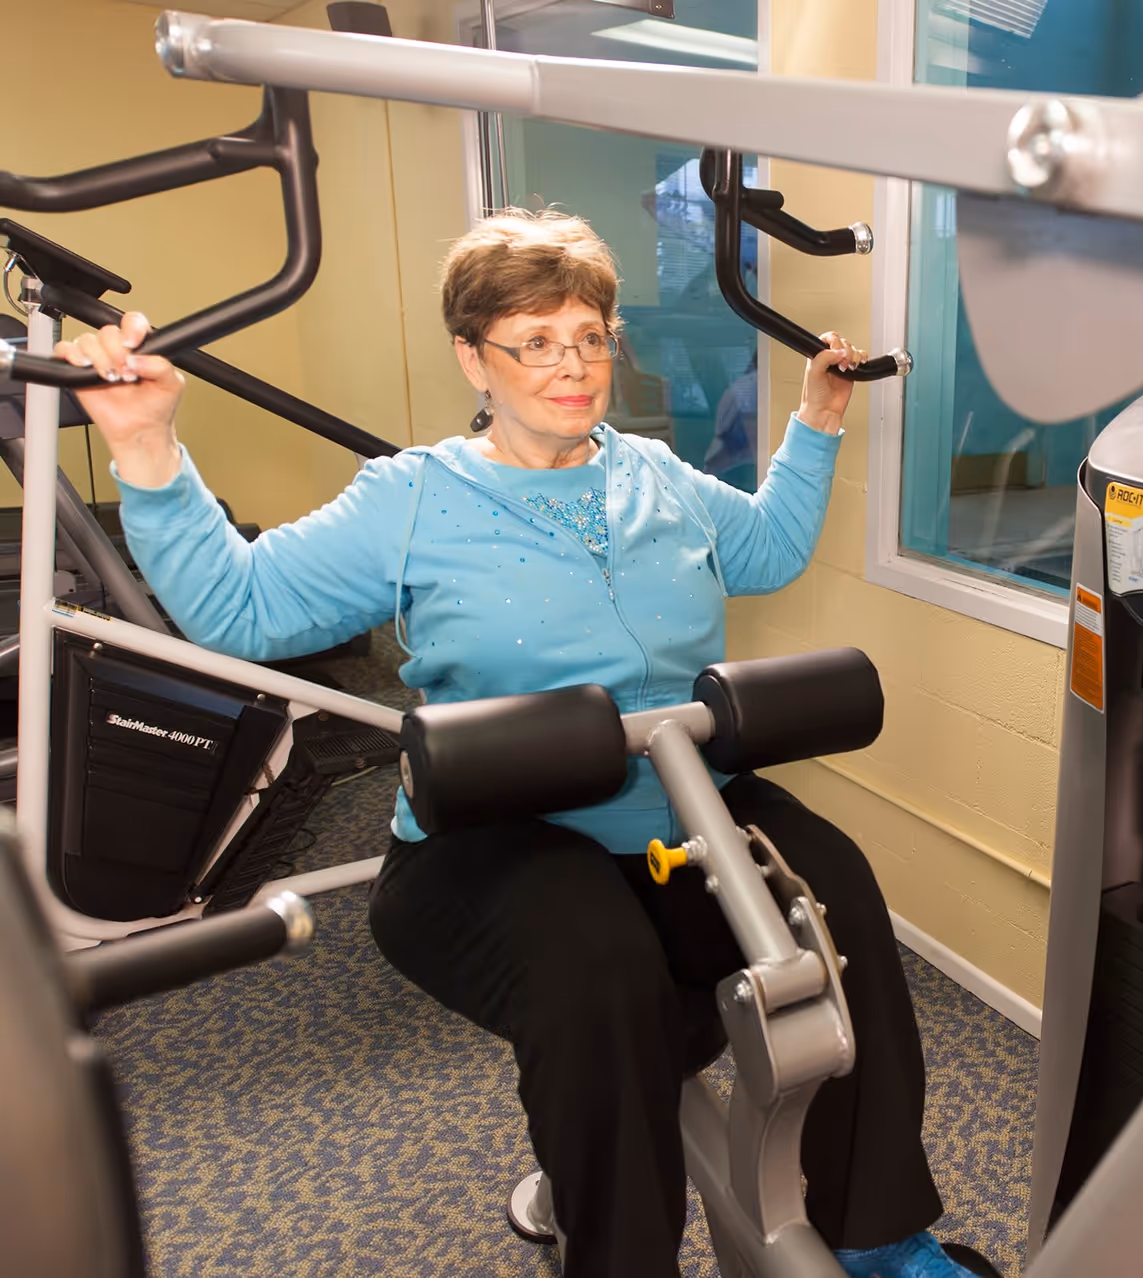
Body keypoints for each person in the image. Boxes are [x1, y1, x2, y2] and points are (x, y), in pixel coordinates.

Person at [58, 209, 975, 1278]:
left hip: (685, 816)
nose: (571, 366)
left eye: (589, 335)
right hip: (496, 837)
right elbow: (241, 609)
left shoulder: (659, 477)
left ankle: (877, 1238)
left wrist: (817, 421)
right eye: (533, 341)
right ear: (472, 357)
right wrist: (143, 446)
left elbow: (765, 551)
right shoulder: (412, 498)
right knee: (596, 962)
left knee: (839, 897)